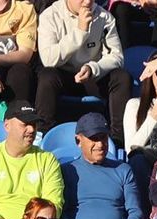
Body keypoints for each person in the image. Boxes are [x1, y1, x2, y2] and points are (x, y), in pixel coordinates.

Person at [36, 0, 133, 144]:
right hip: (64, 74)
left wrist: (93, 68)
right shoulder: (50, 15)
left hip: (93, 76)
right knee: (47, 76)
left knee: (122, 77)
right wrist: (80, 31)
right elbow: (49, 59)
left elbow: (116, 57)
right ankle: (43, 135)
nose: (87, 2)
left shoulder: (104, 17)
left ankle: (117, 141)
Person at [62, 114, 146, 219]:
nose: (100, 144)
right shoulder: (67, 171)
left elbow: (135, 211)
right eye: (94, 139)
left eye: (104, 138)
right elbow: (60, 212)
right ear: (78, 140)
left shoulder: (123, 169)